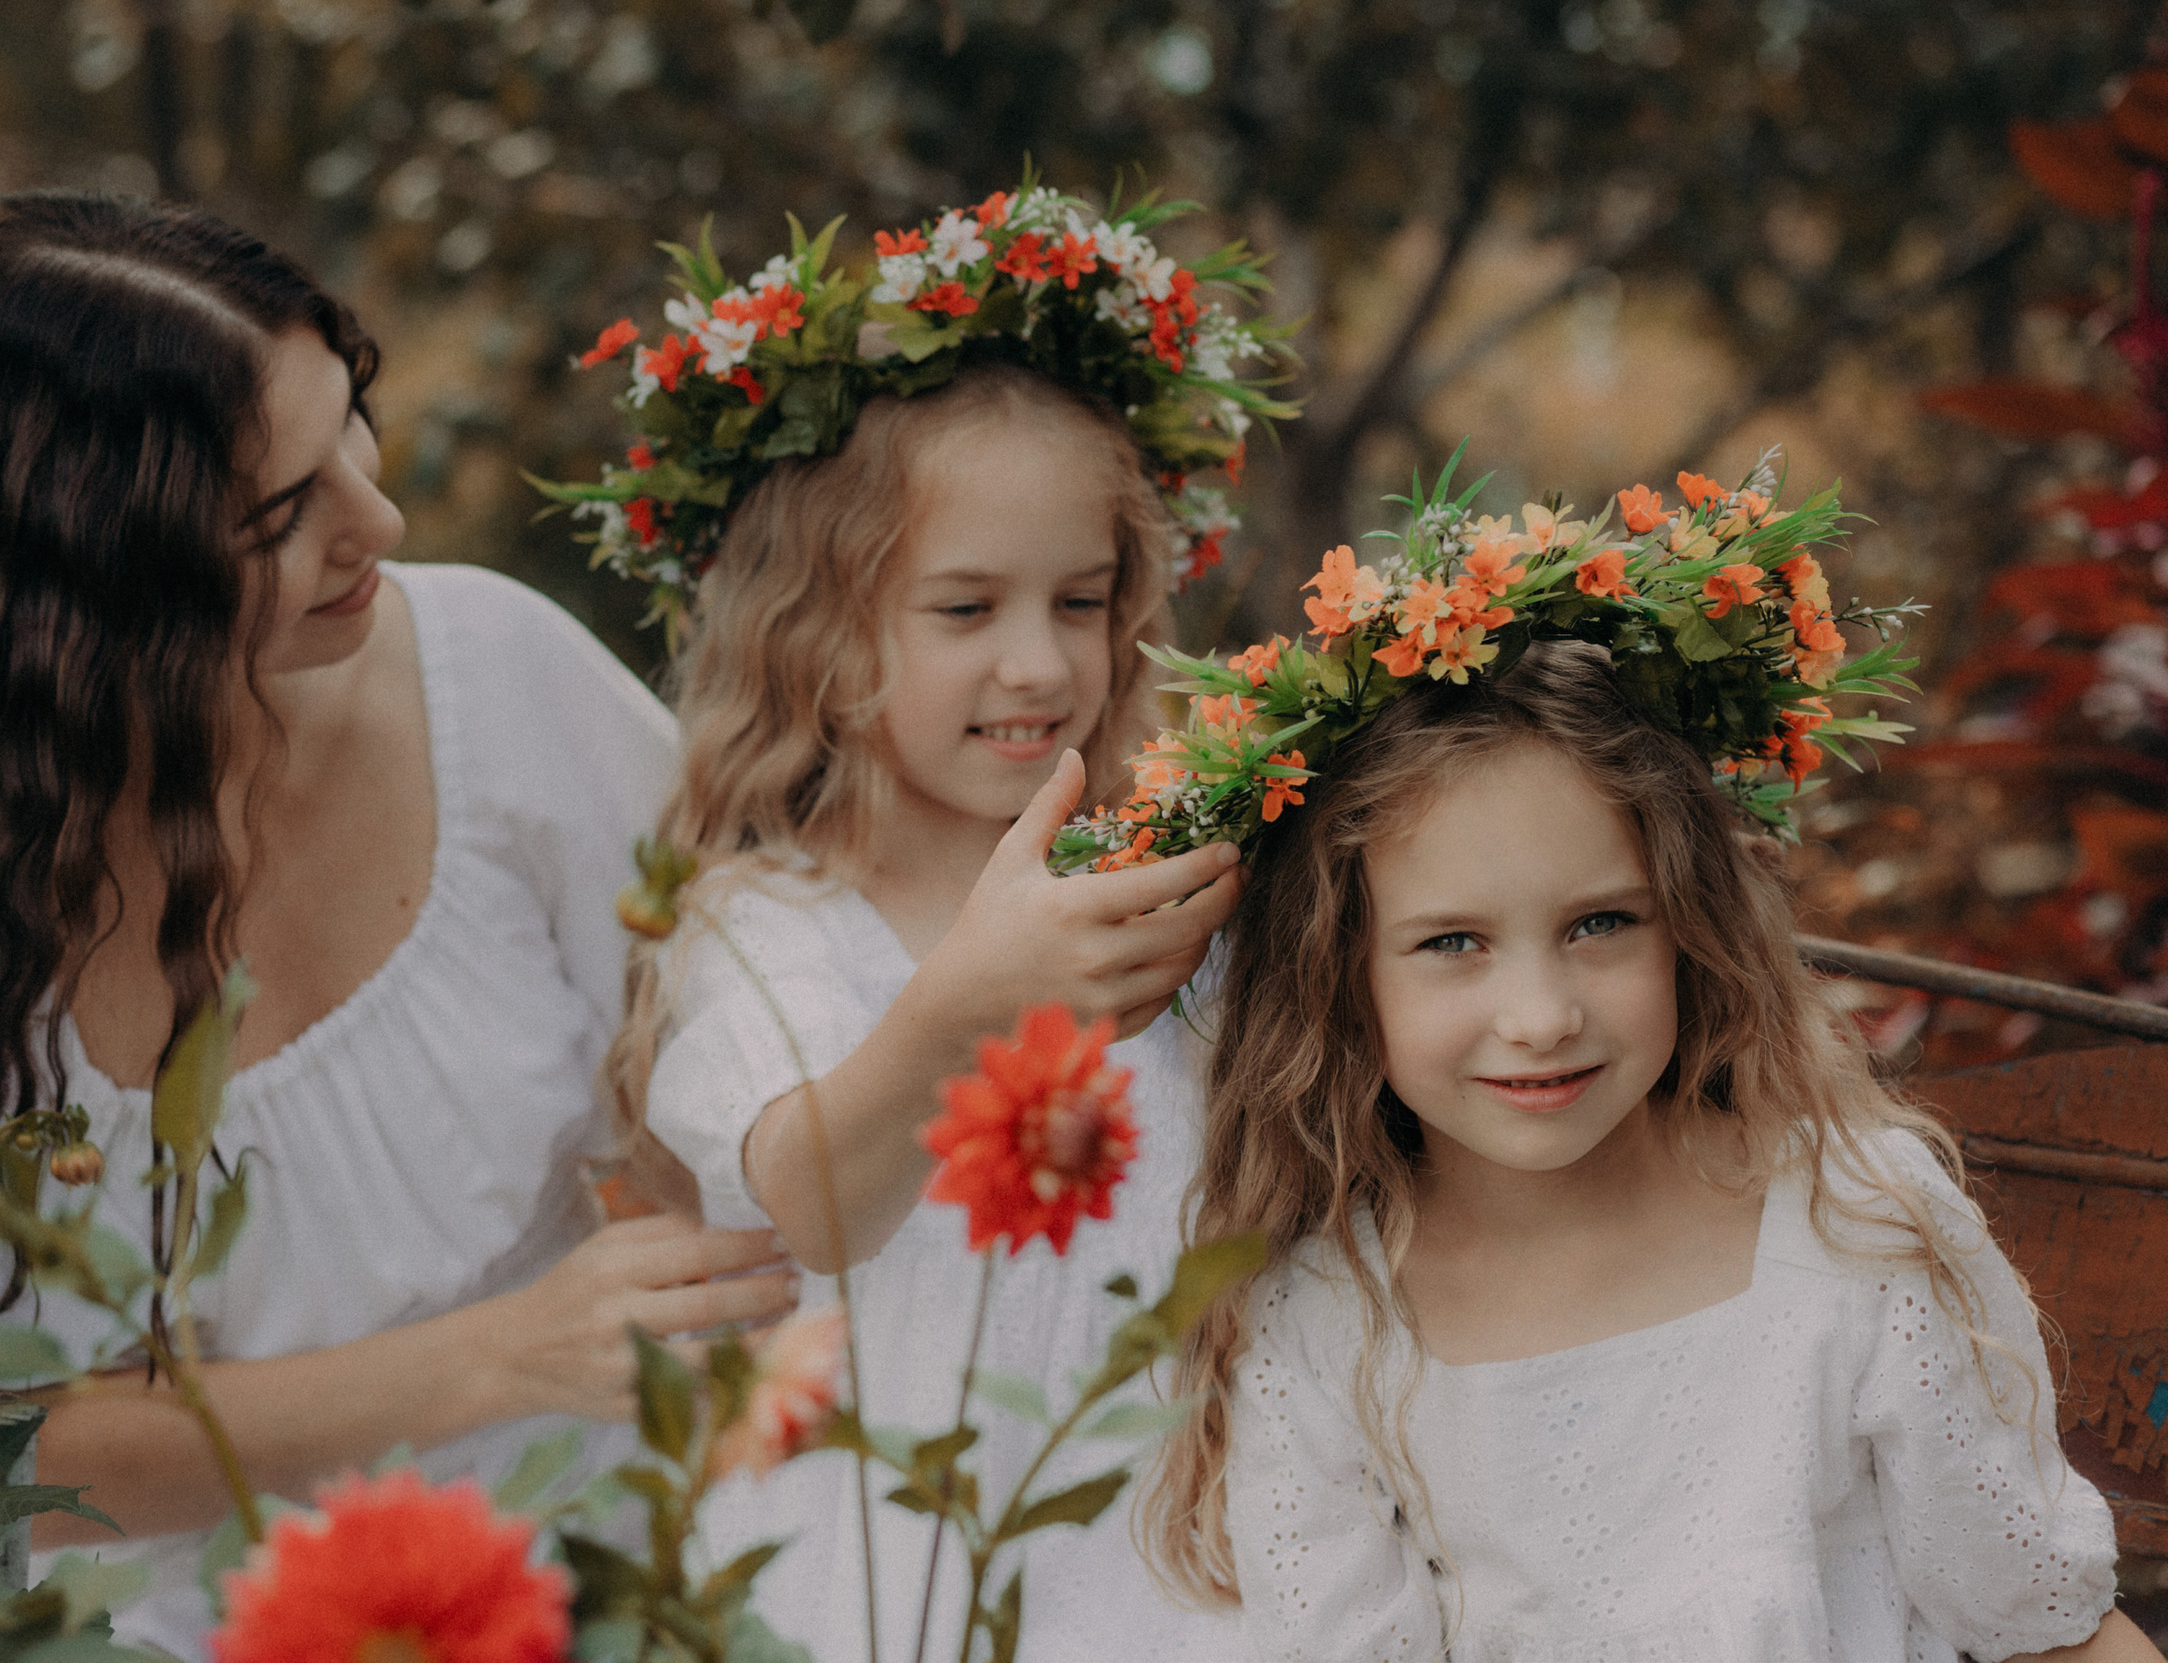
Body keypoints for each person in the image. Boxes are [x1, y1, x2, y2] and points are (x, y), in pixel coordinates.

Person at [0, 192, 794, 1659]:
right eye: (277, 510)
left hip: (593, 1574)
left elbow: (759, 1077)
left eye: (351, 427)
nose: (376, 519)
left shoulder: (500, 678)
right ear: (89, 585)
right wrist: (490, 1356)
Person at [1101, 464, 2153, 1661]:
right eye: (1453, 943)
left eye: (1600, 923)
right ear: (1341, 977)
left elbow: (2048, 1632)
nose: (1542, 1015)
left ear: (1688, 924)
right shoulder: (1330, 1326)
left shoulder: (1857, 1228)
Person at [559, 183, 1287, 1662]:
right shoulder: (770, 922)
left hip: (1178, 1544)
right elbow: (815, 1196)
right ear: (819, 636)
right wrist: (973, 995)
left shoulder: (1160, 876)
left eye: (1080, 601)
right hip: (892, 1568)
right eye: (965, 611)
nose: (1041, 661)